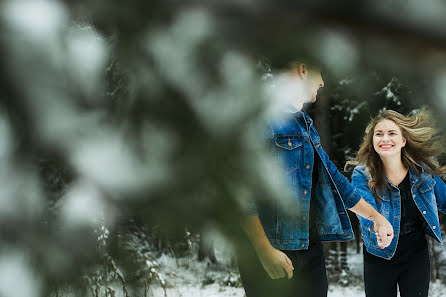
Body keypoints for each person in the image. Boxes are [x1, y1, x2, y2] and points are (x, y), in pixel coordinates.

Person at [238, 61, 394, 297]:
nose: (322, 83)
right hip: (271, 251)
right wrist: (263, 250)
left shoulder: (303, 122)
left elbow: (333, 178)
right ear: (303, 69)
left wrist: (375, 217)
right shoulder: (259, 117)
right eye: (321, 75)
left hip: (309, 248)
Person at [346, 109, 446, 297]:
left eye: (392, 133)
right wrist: (379, 227)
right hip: (378, 254)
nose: (385, 139)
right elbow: (365, 208)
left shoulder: (421, 172)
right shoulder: (362, 174)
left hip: (415, 254)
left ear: (403, 140)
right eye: (379, 134)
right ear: (372, 140)